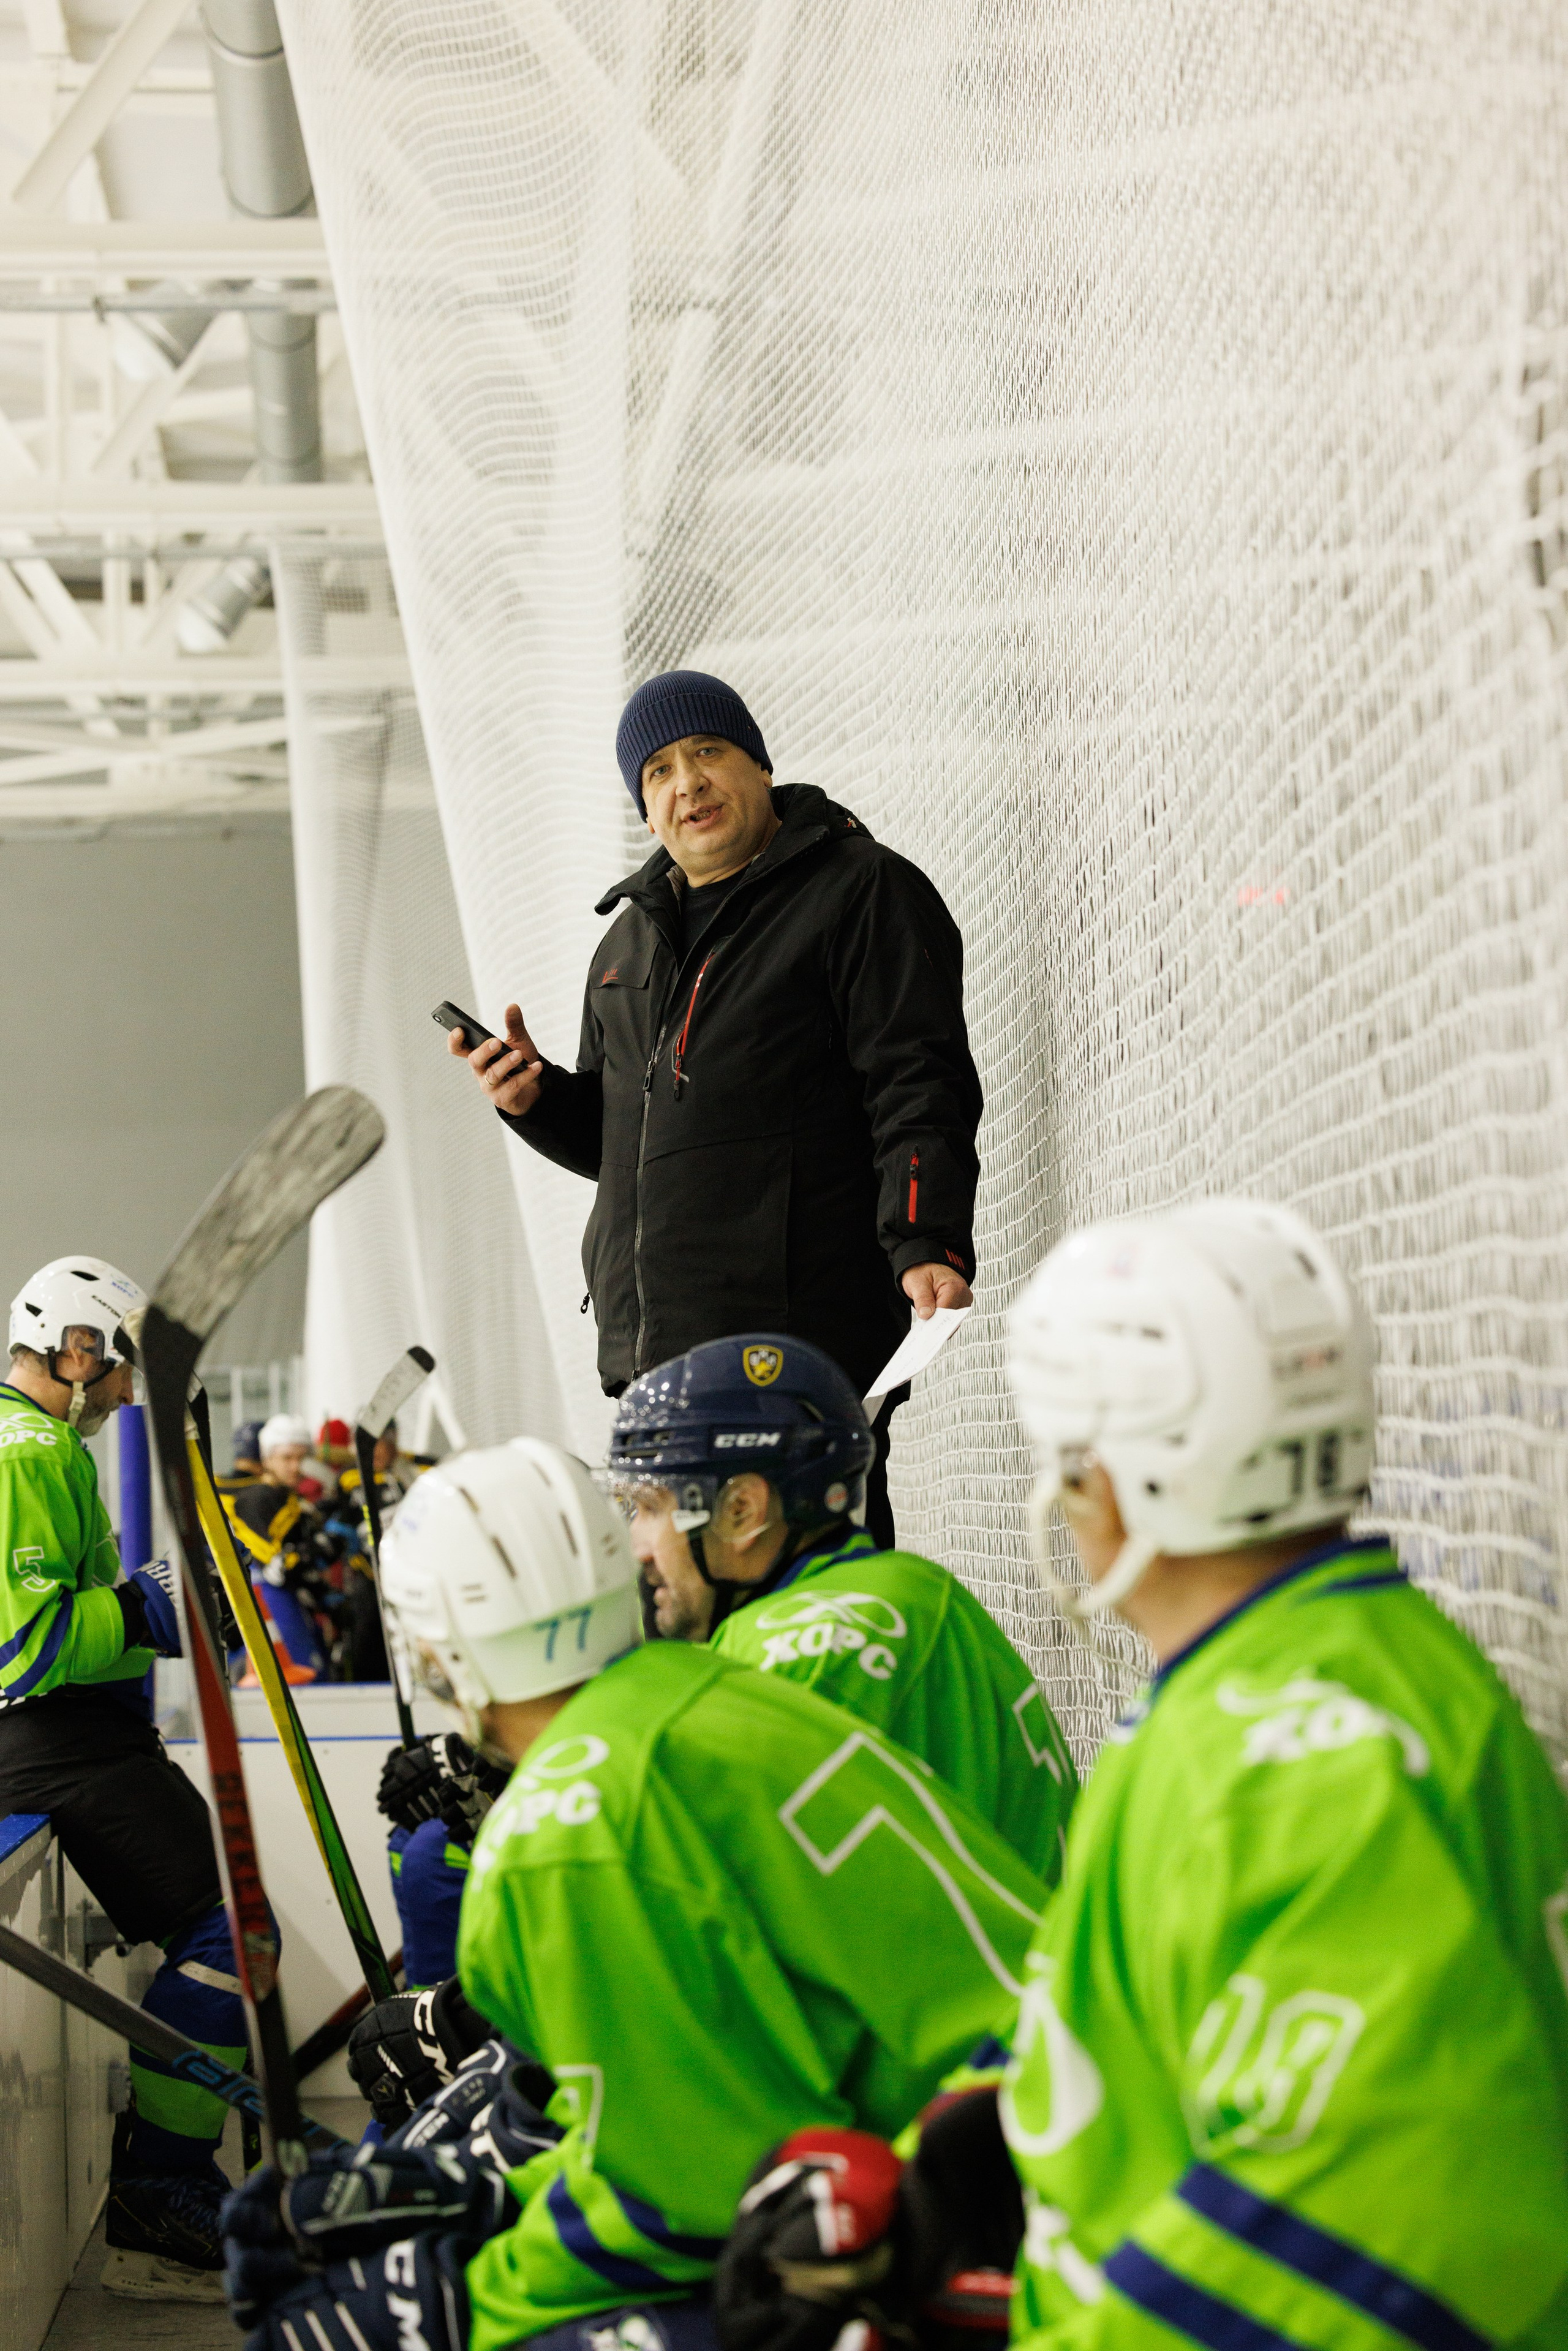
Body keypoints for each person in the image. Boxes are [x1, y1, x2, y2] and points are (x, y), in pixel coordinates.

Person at [716, 1198, 1568, 2351]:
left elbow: (1387, 2224)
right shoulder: (1282, 1684)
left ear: (1111, 1483)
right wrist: (959, 2160)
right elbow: (1147, 2019)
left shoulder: (1294, 1754)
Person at [224, 1436, 1046, 2351]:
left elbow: (695, 2205)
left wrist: (462, 2298)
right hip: (1001, 2140)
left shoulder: (560, 1839)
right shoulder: (715, 1683)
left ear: (435, 1649)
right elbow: (714, 2113)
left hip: (971, 2224)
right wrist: (495, 2191)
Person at [448, 669, 982, 1546]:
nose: (686, 781)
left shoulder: (860, 890)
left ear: (761, 767)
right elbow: (632, 1142)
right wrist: (537, 1099)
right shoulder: (626, 942)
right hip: (656, 1357)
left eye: (708, 751)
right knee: (692, 1615)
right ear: (646, 808)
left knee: (813, 1600)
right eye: (657, 770)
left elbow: (917, 1079)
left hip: (799, 1341)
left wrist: (925, 1237)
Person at [0, 1258, 255, 2300]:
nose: (121, 1389)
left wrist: (163, 1614)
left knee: (232, 1929)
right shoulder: (24, 1453)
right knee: (229, 1935)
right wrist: (146, 1609)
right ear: (76, 1347)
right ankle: (163, 2187)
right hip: (48, 1739)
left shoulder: (47, 1442)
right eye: (115, 1366)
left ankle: (170, 2177)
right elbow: (20, 1652)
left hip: (77, 1734)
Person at [611, 1333, 1078, 1884]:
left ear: (741, 1510)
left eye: (648, 1508)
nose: (637, 1546)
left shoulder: (787, 1666)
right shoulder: (916, 1586)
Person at [223, 1411, 336, 1680]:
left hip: (280, 1599)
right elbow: (276, 1566)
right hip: (267, 1599)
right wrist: (315, 1552)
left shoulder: (286, 1497)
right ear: (267, 1459)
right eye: (287, 1458)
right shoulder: (259, 1498)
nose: (296, 1467)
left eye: (302, 1458)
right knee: (305, 1678)